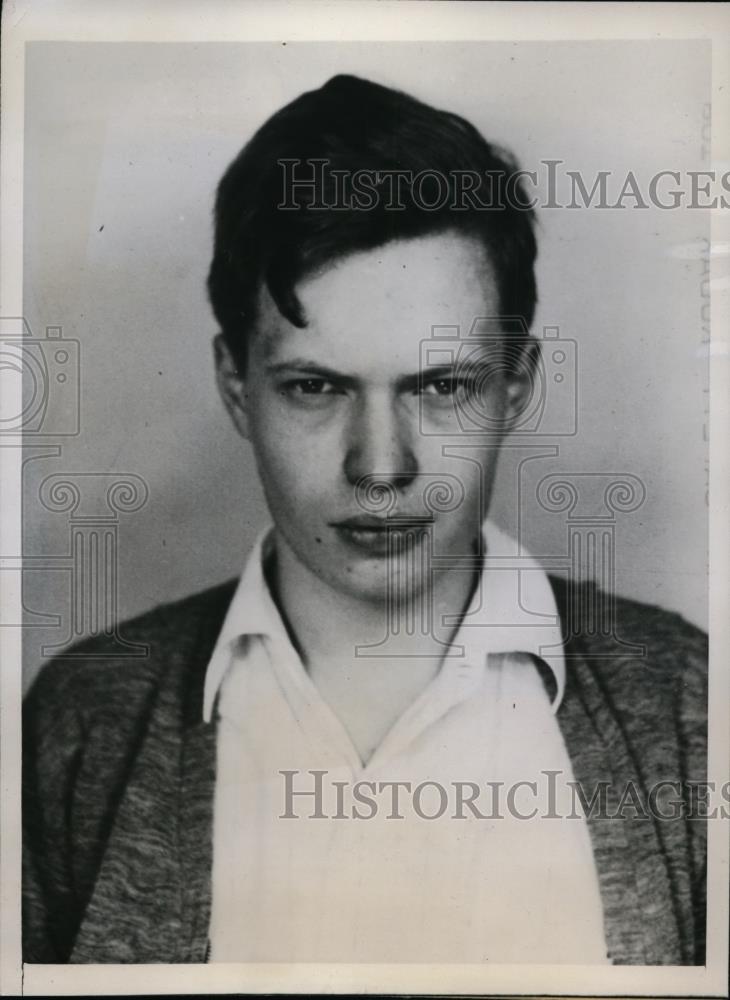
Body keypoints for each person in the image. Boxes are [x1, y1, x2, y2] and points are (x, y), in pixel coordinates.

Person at [23, 74, 707, 965]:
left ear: (518, 384)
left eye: (442, 386)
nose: (381, 466)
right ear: (236, 385)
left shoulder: (689, 709)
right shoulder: (80, 726)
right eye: (316, 387)